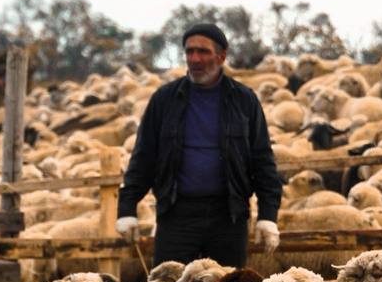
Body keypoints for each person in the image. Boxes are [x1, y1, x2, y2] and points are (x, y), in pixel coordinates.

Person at [115, 23, 282, 266]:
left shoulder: (243, 100)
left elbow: (262, 160)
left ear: (221, 56)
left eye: (203, 52)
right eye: (189, 51)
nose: (194, 58)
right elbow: (145, 156)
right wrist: (127, 207)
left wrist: (268, 216)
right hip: (176, 214)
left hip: (228, 214)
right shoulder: (165, 99)